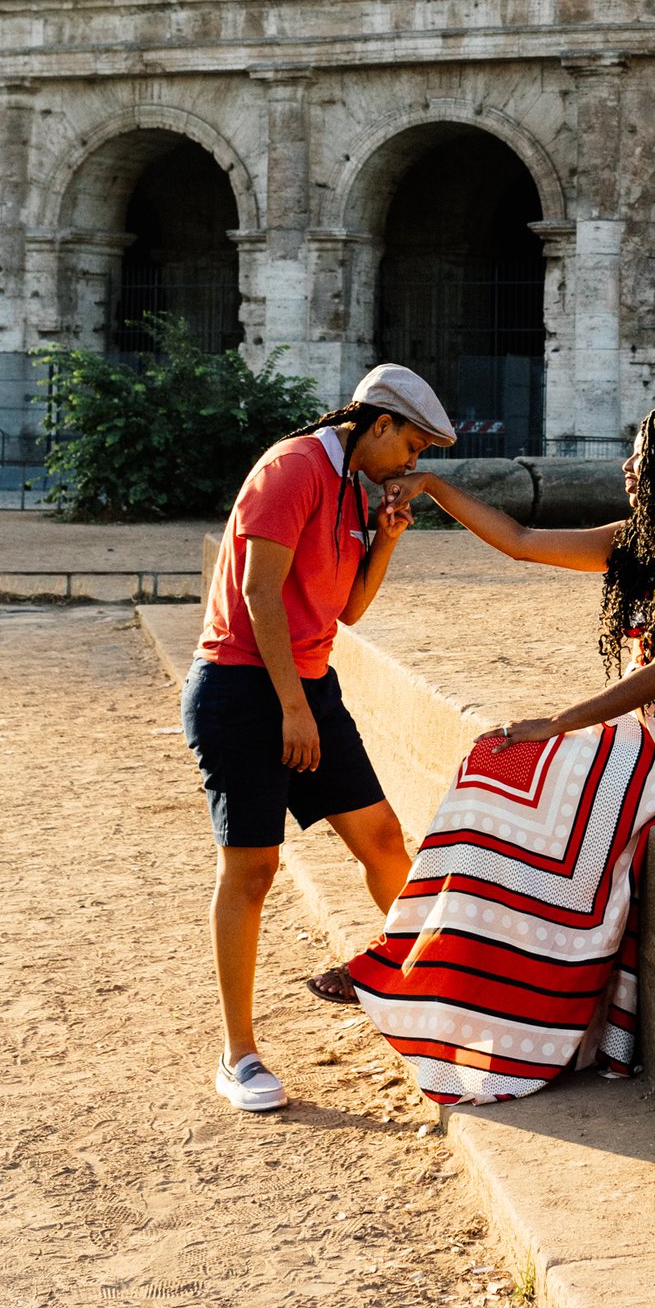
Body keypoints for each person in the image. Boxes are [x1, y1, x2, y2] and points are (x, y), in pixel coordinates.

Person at [323, 401, 655, 1104]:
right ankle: (412, 963)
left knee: (530, 781)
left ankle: (470, 991)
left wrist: (555, 724)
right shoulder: (643, 540)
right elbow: (522, 538)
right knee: (488, 766)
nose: (627, 465)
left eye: (641, 453)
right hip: (638, 734)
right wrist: (433, 486)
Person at [181, 361, 456, 1114]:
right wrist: (292, 709)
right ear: (379, 425)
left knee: (383, 840)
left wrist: (390, 537)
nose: (412, 464)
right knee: (253, 870)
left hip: (306, 683)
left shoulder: (351, 489)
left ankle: (420, 994)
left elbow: (350, 611)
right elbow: (257, 592)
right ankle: (237, 1055)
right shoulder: (295, 466)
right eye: (412, 448)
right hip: (242, 688)